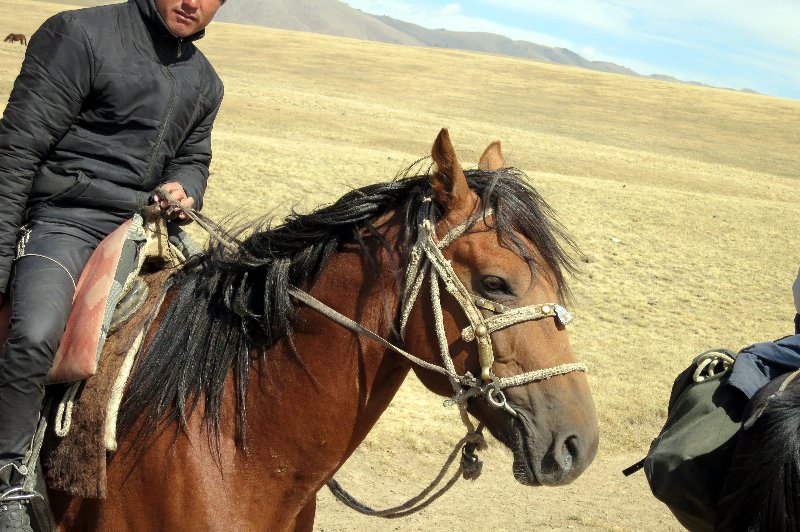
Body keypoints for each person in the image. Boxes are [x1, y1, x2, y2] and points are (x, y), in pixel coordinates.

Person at [0, 0, 225, 528]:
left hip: (143, 225)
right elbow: (16, 147)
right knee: (36, 332)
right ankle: (7, 473)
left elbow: (194, 157)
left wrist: (185, 189)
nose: (192, 1)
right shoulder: (79, 33)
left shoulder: (205, 80)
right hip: (63, 216)